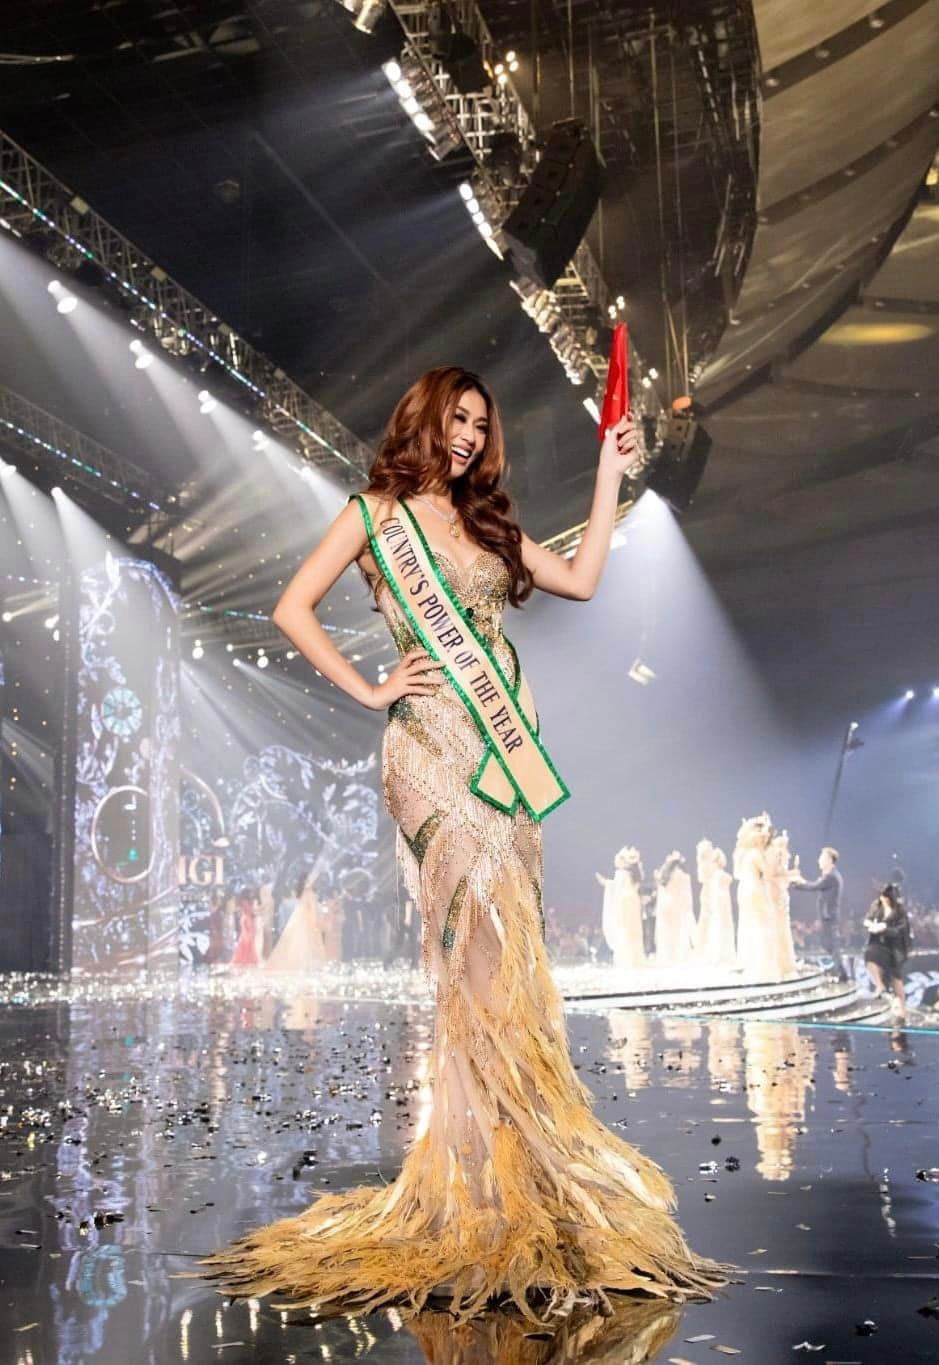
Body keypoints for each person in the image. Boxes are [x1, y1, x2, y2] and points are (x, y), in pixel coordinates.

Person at [204, 365, 722, 1318]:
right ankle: (479, 1184)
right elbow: (292, 607)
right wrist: (370, 688)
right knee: (471, 951)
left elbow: (582, 579)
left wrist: (609, 475)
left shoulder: (486, 524)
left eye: (482, 424)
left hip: (501, 750)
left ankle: (500, 1171)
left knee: (502, 959)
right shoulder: (372, 515)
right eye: (458, 418)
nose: (470, 436)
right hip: (428, 752)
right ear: (424, 418)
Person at [791, 847, 847, 981]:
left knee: (832, 945)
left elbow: (814, 886)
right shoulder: (829, 875)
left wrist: (798, 884)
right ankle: (839, 971)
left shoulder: (831, 876)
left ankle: (842, 974)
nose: (819, 861)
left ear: (829, 860)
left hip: (829, 916)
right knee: (828, 944)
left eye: (821, 858)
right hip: (827, 916)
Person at [264, 867, 329, 973]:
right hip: (307, 923)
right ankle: (304, 966)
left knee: (297, 944)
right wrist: (316, 924)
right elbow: (313, 912)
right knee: (306, 944)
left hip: (299, 922)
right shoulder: (310, 894)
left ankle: (299, 965)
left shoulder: (303, 893)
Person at [864, 884, 911, 1023]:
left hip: (895, 948)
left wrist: (884, 928)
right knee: (869, 955)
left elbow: (899, 931)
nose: (883, 899)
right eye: (882, 896)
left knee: (896, 979)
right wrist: (870, 924)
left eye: (886, 897)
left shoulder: (900, 911)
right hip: (878, 944)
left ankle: (903, 1011)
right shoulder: (876, 906)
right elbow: (868, 918)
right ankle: (880, 985)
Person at [595, 845, 645, 972]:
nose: (615, 861)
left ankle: (625, 959)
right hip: (633, 902)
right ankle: (635, 958)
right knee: (633, 930)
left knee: (623, 929)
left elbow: (617, 888)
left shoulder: (621, 873)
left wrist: (605, 883)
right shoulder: (634, 874)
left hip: (623, 904)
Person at [695, 840, 736, 972]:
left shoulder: (709, 866)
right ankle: (707, 950)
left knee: (711, 921)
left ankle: (708, 950)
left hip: (714, 894)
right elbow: (705, 879)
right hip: (711, 894)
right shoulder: (706, 865)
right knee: (709, 921)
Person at [653, 851, 696, 968]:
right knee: (676, 932)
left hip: (664, 906)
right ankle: (676, 957)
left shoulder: (663, 875)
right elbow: (685, 894)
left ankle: (666, 957)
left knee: (665, 932)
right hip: (675, 905)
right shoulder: (682, 875)